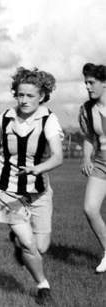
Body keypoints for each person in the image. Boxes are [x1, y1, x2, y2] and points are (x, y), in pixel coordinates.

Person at [0, 67, 63, 305]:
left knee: (40, 247)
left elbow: (58, 157)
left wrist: (38, 169)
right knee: (29, 245)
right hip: (8, 190)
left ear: (41, 96)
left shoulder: (49, 120)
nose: (24, 100)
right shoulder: (3, 119)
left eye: (30, 96)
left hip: (38, 190)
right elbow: (2, 154)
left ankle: (17, 241)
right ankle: (43, 286)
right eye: (20, 95)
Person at [78, 62, 106, 274]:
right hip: (101, 162)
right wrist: (86, 158)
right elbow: (89, 136)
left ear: (104, 83)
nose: (87, 86)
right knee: (90, 208)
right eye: (86, 82)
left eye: (92, 82)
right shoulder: (87, 109)